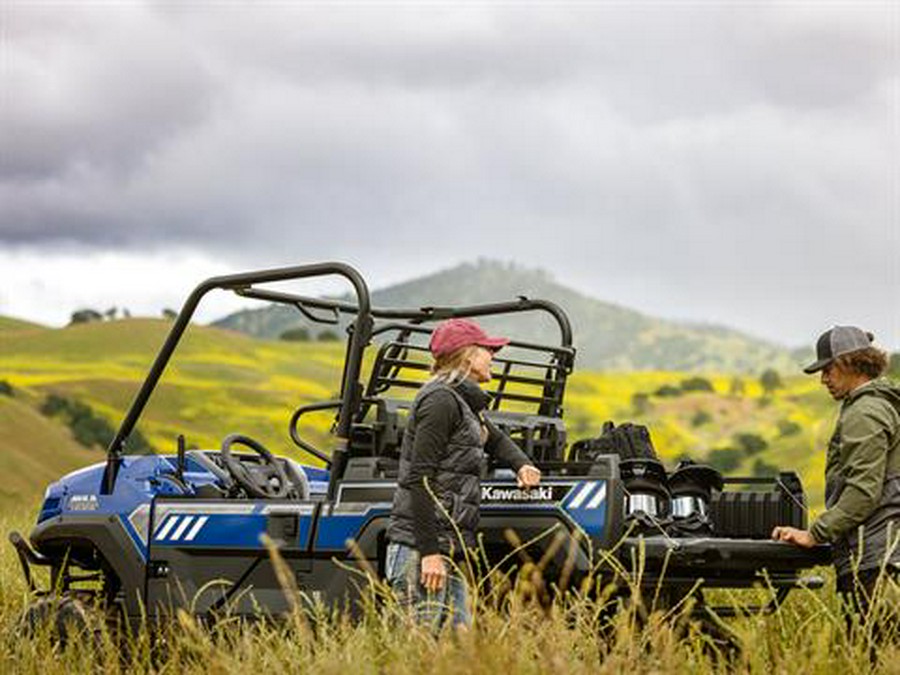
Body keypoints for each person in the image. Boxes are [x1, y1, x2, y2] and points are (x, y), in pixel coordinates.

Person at [386, 318, 542, 630]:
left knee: (457, 647)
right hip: (422, 551)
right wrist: (429, 553)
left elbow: (494, 438)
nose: (493, 357)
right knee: (419, 653)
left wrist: (522, 464)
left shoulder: (464, 404)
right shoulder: (440, 400)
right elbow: (419, 480)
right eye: (489, 350)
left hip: (448, 548)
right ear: (468, 356)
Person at [772, 325, 900, 628]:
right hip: (885, 555)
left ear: (847, 362)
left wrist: (815, 533)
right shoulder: (883, 404)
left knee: (877, 655)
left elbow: (863, 492)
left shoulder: (865, 412)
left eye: (827, 369)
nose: (823, 380)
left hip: (875, 560)